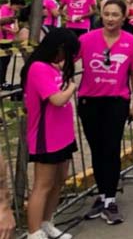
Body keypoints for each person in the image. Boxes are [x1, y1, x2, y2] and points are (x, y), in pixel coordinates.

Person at [77, 0, 133, 225]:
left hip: (116, 102)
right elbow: (64, 60)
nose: (111, 19)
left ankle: (110, 199)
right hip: (89, 102)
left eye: (115, 14)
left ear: (124, 17)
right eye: (107, 14)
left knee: (111, 149)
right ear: (101, 15)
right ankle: (102, 195)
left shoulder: (132, 42)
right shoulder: (86, 39)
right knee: (96, 150)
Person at [22, 29, 79, 239]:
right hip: (46, 137)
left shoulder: (53, 68)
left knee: (59, 181)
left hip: (63, 135)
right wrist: (72, 87)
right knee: (43, 185)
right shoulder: (38, 68)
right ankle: (34, 231)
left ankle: (47, 222)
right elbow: (56, 99)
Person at [0, 0, 24, 89]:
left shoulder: (13, 11)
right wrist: (10, 30)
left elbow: (15, 22)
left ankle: (3, 81)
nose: (17, 9)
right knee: (2, 61)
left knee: (6, 61)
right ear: (13, 4)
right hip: (2, 38)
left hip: (10, 39)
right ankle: (1, 82)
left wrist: (16, 28)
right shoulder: (3, 10)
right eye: (17, 7)